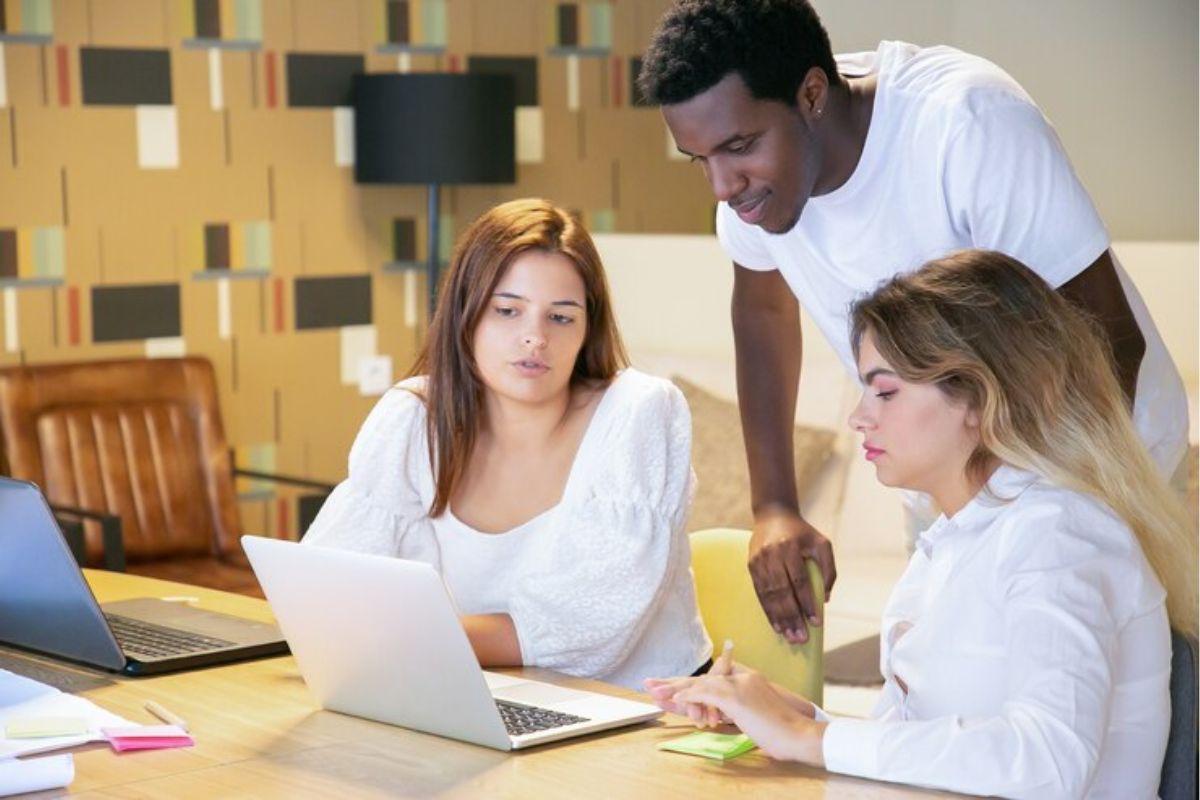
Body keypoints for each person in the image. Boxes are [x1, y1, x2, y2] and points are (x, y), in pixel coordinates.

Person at [637, 0, 1189, 644]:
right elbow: (762, 313)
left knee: (1121, 714)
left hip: (1098, 459)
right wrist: (776, 506)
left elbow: (1108, 340)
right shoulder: (750, 192)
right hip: (942, 484)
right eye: (696, 158)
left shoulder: (967, 124)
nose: (721, 187)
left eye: (738, 147)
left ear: (812, 94)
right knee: (945, 699)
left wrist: (1024, 511)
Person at [645, 250, 1198, 799]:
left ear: (980, 397)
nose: (859, 416)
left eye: (885, 391)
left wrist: (810, 737)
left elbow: (1048, 763)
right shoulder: (955, 538)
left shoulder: (1062, 535)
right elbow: (925, 743)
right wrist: (789, 717)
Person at [302, 198, 712, 689]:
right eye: (507, 310)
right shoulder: (414, 417)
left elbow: (591, 631)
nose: (534, 338)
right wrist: (374, 637)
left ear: (587, 329)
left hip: (642, 712)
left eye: (560, 317)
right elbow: (328, 586)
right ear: (465, 314)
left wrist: (411, 640)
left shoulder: (639, 413)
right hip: (480, 692)